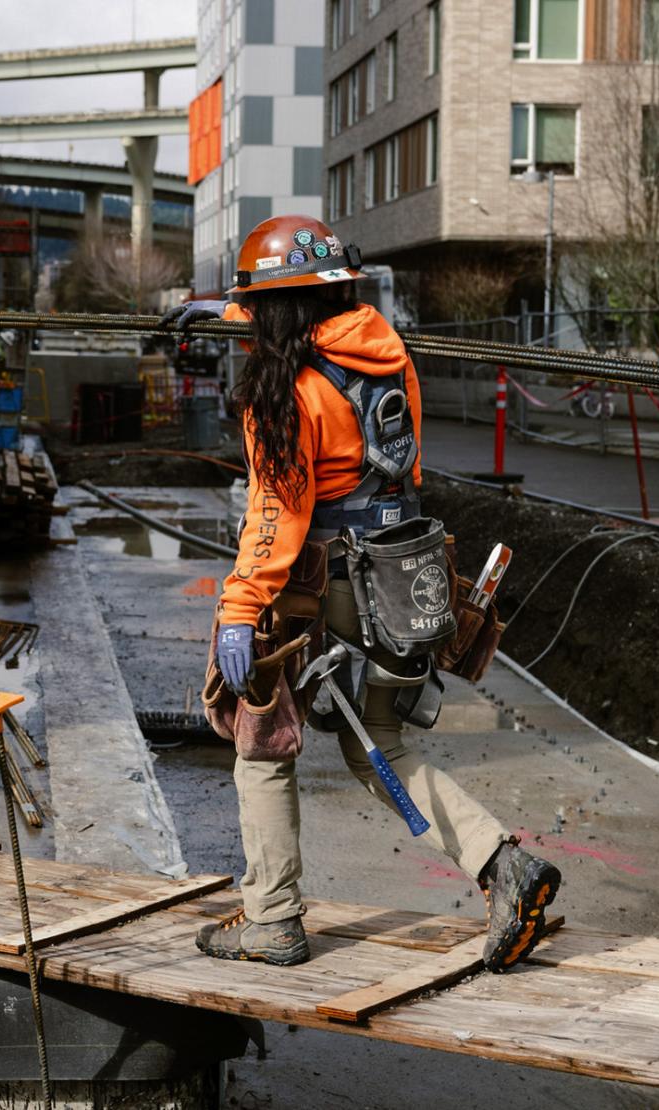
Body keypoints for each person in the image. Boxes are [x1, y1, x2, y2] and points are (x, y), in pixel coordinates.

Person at [163, 216, 560, 973]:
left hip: (328, 585)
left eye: (255, 310)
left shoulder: (287, 393)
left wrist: (242, 610)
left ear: (273, 313)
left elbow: (275, 519)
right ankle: (501, 863)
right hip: (405, 576)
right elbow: (308, 320)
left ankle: (274, 919)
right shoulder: (383, 352)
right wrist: (230, 310)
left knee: (263, 744)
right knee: (377, 741)